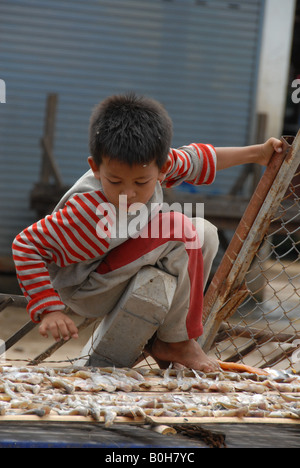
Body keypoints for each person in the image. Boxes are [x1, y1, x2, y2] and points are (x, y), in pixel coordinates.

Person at [12, 93, 283, 372]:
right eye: (114, 181)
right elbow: (26, 245)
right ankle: (178, 342)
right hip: (86, 288)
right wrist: (49, 308)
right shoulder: (86, 210)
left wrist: (257, 153)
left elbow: (199, 158)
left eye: (141, 182)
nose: (127, 193)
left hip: (117, 264)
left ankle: (170, 336)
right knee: (179, 230)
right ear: (95, 167)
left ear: (163, 170)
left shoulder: (156, 164)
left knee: (204, 233)